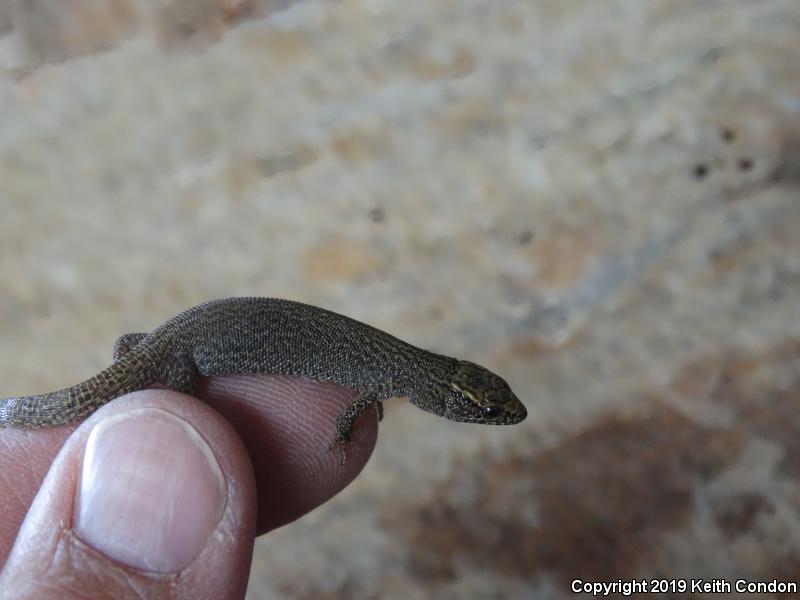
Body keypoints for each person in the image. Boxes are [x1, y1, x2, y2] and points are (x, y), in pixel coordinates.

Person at [0, 375, 379, 598]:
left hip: (185, 345)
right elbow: (347, 413)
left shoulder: (382, 377)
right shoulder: (381, 378)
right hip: (189, 349)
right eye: (442, 403)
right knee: (178, 397)